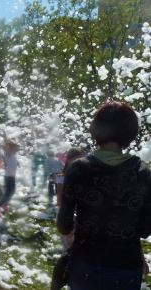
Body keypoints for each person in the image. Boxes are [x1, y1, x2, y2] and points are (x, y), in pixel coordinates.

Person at [57, 101, 151, 290]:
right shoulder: (143, 173)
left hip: (85, 263)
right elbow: (144, 230)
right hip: (127, 267)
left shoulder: (77, 168)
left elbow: (64, 225)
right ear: (131, 133)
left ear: (96, 129)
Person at [0, 130, 19, 218]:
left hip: (12, 176)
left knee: (12, 191)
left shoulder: (12, 155)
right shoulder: (7, 153)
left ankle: (4, 205)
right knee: (7, 193)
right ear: (11, 148)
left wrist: (17, 163)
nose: (17, 149)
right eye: (15, 147)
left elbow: (12, 162)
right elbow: (6, 145)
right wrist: (4, 135)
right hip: (8, 177)